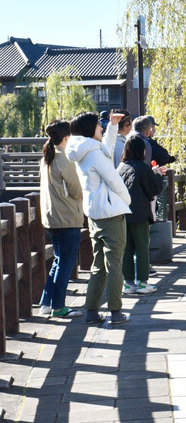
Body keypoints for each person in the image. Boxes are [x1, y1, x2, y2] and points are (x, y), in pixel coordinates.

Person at [65, 111, 132, 324]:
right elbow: (113, 178)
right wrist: (126, 199)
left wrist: (113, 126)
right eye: (99, 126)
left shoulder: (83, 150)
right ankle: (116, 311)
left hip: (94, 212)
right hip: (111, 212)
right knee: (114, 265)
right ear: (89, 129)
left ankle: (92, 311)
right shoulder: (93, 153)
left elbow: (107, 150)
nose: (101, 128)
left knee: (99, 264)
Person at [38, 120, 83, 318]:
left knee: (58, 261)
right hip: (66, 217)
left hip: (51, 217)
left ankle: (46, 303)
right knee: (65, 263)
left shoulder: (47, 157)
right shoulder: (64, 159)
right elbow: (76, 189)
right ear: (66, 137)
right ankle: (59, 307)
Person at [118, 136, 165, 294]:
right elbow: (154, 189)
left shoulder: (121, 167)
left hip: (122, 214)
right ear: (142, 150)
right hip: (139, 213)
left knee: (127, 249)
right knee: (142, 248)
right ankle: (143, 283)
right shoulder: (143, 167)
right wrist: (158, 175)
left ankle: (128, 283)